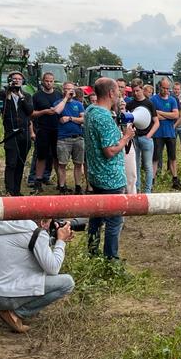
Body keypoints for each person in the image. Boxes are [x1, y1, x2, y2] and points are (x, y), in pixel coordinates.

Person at [0, 218, 76, 333]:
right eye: (50, 220)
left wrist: (53, 240)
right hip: (0, 296)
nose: (52, 224)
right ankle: (15, 314)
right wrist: (61, 242)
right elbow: (53, 268)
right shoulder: (37, 234)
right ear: (43, 222)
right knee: (67, 283)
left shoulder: (10, 226)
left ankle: (12, 309)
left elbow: (27, 244)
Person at [84, 78, 134, 259]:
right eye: (117, 92)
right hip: (110, 177)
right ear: (111, 93)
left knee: (96, 216)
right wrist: (126, 137)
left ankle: (92, 252)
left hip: (95, 174)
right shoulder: (103, 117)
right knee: (114, 221)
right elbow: (110, 151)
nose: (120, 95)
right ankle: (111, 259)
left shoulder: (90, 110)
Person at [30, 72, 66, 195]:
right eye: (46, 81)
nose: (49, 83)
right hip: (43, 129)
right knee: (41, 156)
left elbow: (63, 110)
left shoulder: (58, 95)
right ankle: (38, 181)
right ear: (42, 81)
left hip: (57, 129)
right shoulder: (36, 96)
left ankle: (61, 183)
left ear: (54, 81)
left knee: (57, 157)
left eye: (51, 81)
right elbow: (31, 114)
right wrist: (44, 111)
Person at [1, 72, 33, 196]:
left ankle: (17, 190)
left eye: (19, 79)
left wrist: (20, 94)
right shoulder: (4, 95)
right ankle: (9, 190)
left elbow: (29, 111)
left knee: (20, 162)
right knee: (11, 162)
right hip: (10, 133)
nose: (17, 81)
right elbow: (5, 110)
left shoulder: (27, 96)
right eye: (14, 79)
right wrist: (9, 92)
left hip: (23, 133)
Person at [128, 78, 160, 194]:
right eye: (134, 91)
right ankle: (136, 188)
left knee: (147, 165)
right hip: (134, 138)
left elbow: (156, 122)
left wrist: (149, 135)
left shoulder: (149, 103)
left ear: (142, 89)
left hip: (146, 138)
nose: (135, 93)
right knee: (135, 165)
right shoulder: (130, 104)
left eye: (137, 90)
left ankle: (148, 191)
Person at [55, 81, 86, 195]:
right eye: (67, 89)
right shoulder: (58, 103)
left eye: (72, 89)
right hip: (63, 139)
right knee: (62, 164)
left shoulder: (78, 104)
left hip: (78, 138)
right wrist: (65, 99)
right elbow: (57, 111)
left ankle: (78, 186)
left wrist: (70, 118)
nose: (70, 91)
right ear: (63, 90)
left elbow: (83, 119)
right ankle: (62, 186)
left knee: (78, 163)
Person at [151, 78, 181, 189]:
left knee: (172, 157)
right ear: (159, 87)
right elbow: (154, 116)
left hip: (170, 133)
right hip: (157, 133)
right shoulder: (153, 99)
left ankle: (175, 179)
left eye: (167, 88)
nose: (166, 90)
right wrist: (167, 115)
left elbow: (176, 115)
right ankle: (152, 180)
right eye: (164, 88)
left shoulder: (173, 100)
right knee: (155, 158)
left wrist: (160, 113)